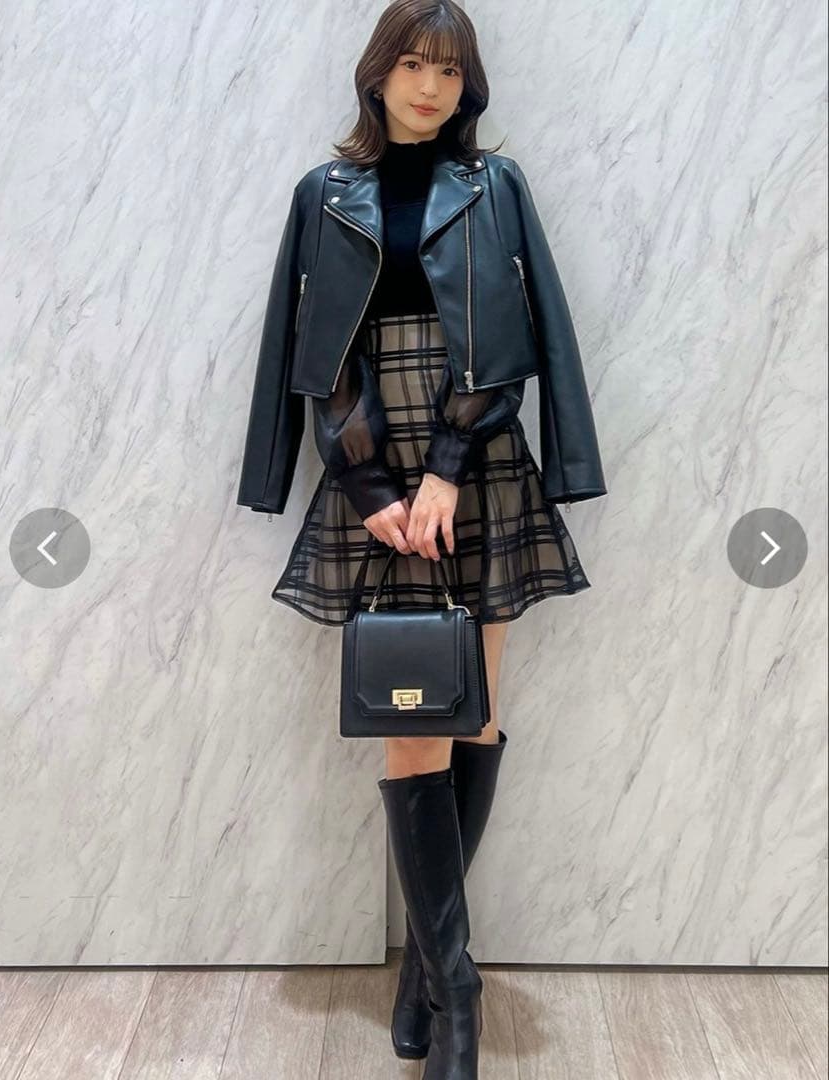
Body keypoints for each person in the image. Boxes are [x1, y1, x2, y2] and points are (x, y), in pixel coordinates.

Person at [236, 2, 607, 1074]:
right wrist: (365, 485)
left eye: (449, 69)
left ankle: (427, 977)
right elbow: (308, 351)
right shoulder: (324, 192)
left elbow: (524, 336)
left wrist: (447, 467)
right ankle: (460, 986)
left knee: (474, 711)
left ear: (468, 84)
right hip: (373, 461)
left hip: (474, 455)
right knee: (414, 723)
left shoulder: (496, 185)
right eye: (412, 64)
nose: (431, 87)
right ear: (377, 74)